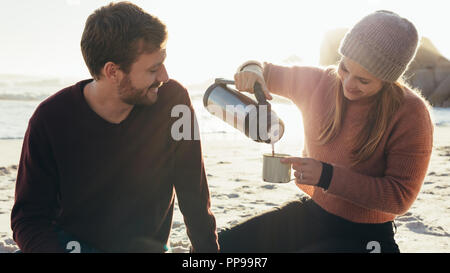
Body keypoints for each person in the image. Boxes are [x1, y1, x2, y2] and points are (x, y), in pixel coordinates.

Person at [11, 2, 219, 253]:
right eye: (153, 69)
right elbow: (28, 218)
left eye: (162, 63)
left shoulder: (174, 103)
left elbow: (192, 190)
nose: (164, 77)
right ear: (113, 72)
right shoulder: (50, 120)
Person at [218, 10, 433, 253]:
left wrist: (327, 176)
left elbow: (399, 197)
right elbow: (261, 69)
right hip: (313, 214)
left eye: (363, 80)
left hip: (369, 236)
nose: (348, 84)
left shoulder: (411, 113)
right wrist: (250, 71)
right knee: (217, 247)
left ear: (387, 80)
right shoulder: (320, 81)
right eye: (345, 68)